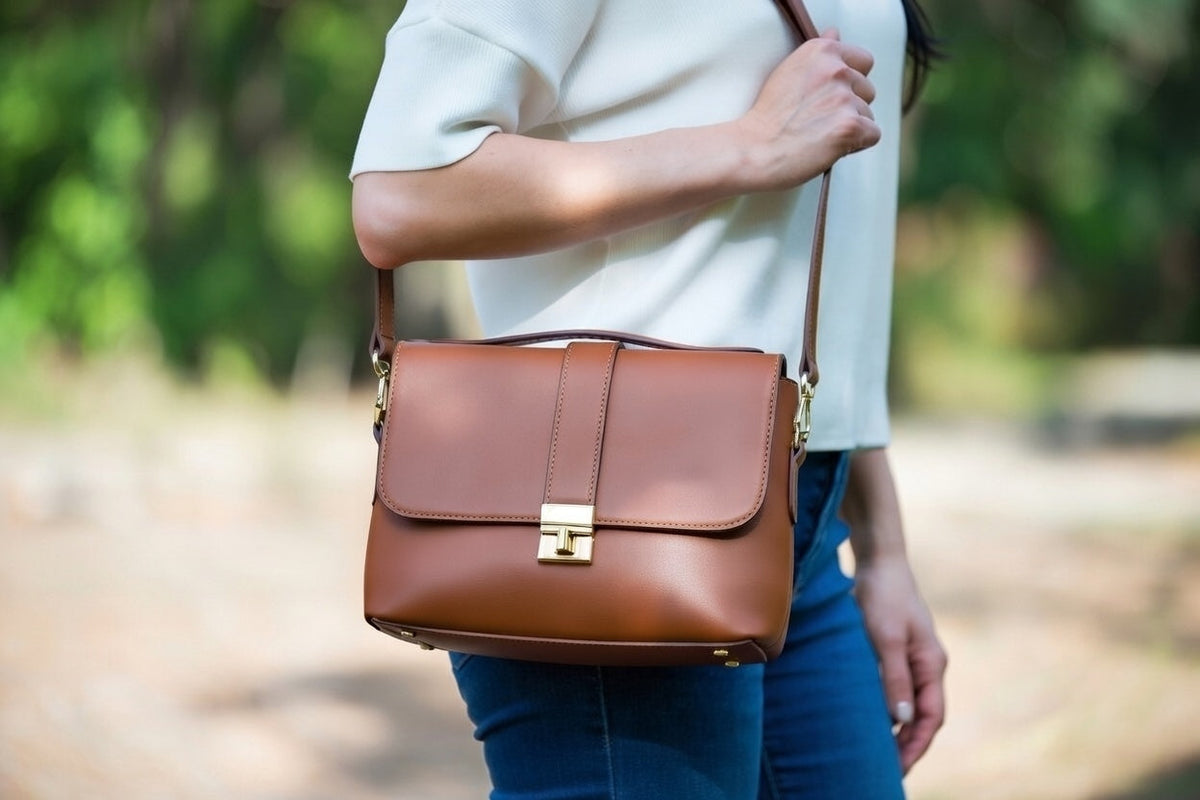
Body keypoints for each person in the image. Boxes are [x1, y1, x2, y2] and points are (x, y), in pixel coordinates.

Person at [350, 0, 947, 797]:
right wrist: (747, 145)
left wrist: (881, 547)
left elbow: (818, 256)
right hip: (604, 515)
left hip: (796, 517)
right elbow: (399, 191)